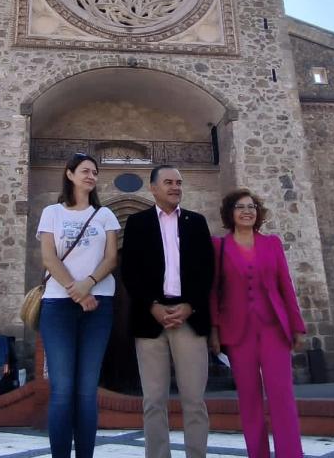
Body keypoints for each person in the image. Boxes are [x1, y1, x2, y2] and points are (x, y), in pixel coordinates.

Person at [122, 165, 214, 458]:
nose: (175, 187)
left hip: (190, 316)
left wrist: (190, 305)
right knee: (153, 401)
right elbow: (130, 271)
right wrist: (152, 305)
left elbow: (206, 270)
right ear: (153, 188)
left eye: (179, 182)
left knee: (194, 400)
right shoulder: (137, 223)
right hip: (151, 320)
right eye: (168, 182)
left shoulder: (196, 222)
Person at [209, 189, 306, 458]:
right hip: (238, 333)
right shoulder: (220, 247)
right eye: (240, 207)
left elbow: (285, 286)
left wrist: (297, 326)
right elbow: (214, 291)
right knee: (249, 400)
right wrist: (214, 330)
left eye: (251, 207)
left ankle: (291, 454)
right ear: (230, 213)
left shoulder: (272, 243)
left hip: (274, 328)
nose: (247, 211)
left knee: (282, 397)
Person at [36, 153, 121, 458]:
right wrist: (78, 291)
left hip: (98, 306)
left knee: (87, 392)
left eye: (95, 172)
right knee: (62, 391)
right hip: (58, 306)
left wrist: (89, 283)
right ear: (69, 174)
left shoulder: (105, 215)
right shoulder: (52, 213)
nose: (91, 176)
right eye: (85, 171)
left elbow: (111, 258)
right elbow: (48, 258)